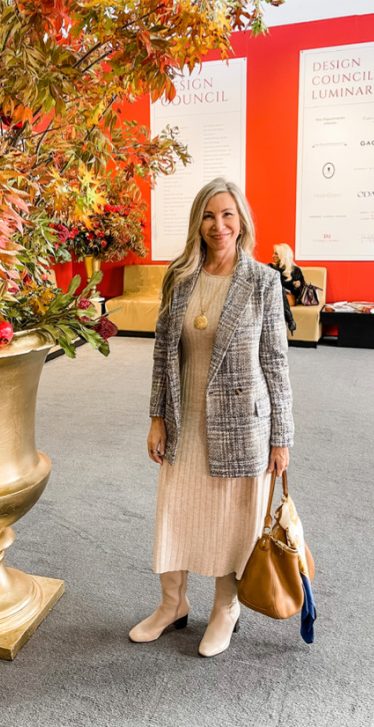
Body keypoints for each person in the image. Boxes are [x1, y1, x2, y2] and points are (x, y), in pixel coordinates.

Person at [129, 177, 294, 658]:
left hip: (243, 422)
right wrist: (157, 417)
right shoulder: (179, 277)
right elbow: (163, 356)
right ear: (197, 223)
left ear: (241, 221)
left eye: (227, 214)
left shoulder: (262, 281)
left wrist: (281, 438)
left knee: (231, 521)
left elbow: (276, 365)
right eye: (208, 215)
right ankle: (172, 605)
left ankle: (226, 609)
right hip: (186, 418)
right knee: (175, 512)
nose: (217, 225)